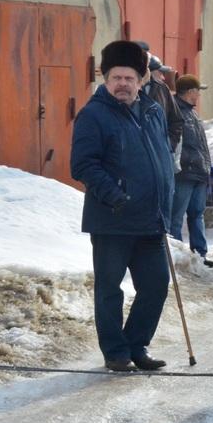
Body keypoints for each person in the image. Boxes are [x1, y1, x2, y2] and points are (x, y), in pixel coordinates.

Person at [70, 40, 174, 372]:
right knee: (109, 290)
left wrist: (165, 200)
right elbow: (83, 165)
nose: (122, 85)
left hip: (150, 220)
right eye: (116, 78)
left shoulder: (152, 112)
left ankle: (136, 344)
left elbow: (160, 159)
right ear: (105, 78)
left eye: (129, 78)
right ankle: (115, 351)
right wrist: (115, 195)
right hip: (112, 220)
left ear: (141, 79)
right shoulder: (93, 115)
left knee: (156, 285)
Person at [169, 74, 213, 268]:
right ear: (190, 92)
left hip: (199, 172)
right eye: (197, 91)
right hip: (184, 173)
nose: (199, 95)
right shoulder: (175, 111)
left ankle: (200, 255)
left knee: (197, 213)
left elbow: (201, 144)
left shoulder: (192, 113)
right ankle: (177, 256)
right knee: (177, 216)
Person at [142, 52, 184, 152]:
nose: (163, 77)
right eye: (160, 72)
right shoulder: (130, 90)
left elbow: (176, 120)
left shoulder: (163, 89)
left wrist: (168, 145)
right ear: (149, 71)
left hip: (160, 152)